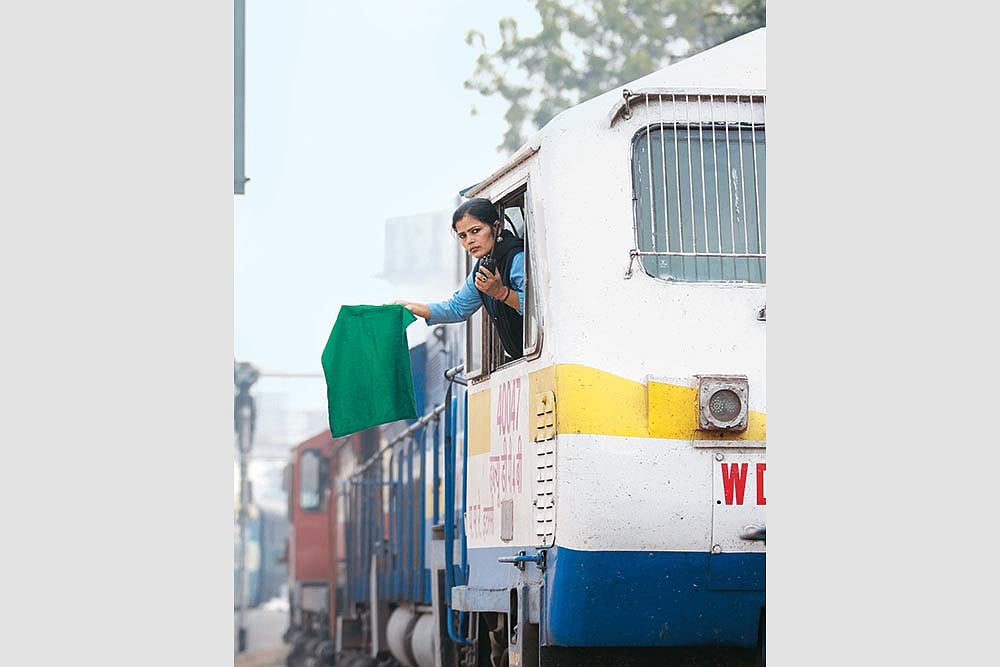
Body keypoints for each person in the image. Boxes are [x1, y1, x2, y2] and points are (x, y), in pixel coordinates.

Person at [394, 197, 525, 360]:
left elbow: (536, 308)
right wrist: (412, 307)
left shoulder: (517, 258)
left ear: (497, 228)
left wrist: (501, 293)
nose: (469, 240)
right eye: (462, 236)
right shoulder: (483, 267)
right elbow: (458, 308)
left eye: (475, 231)